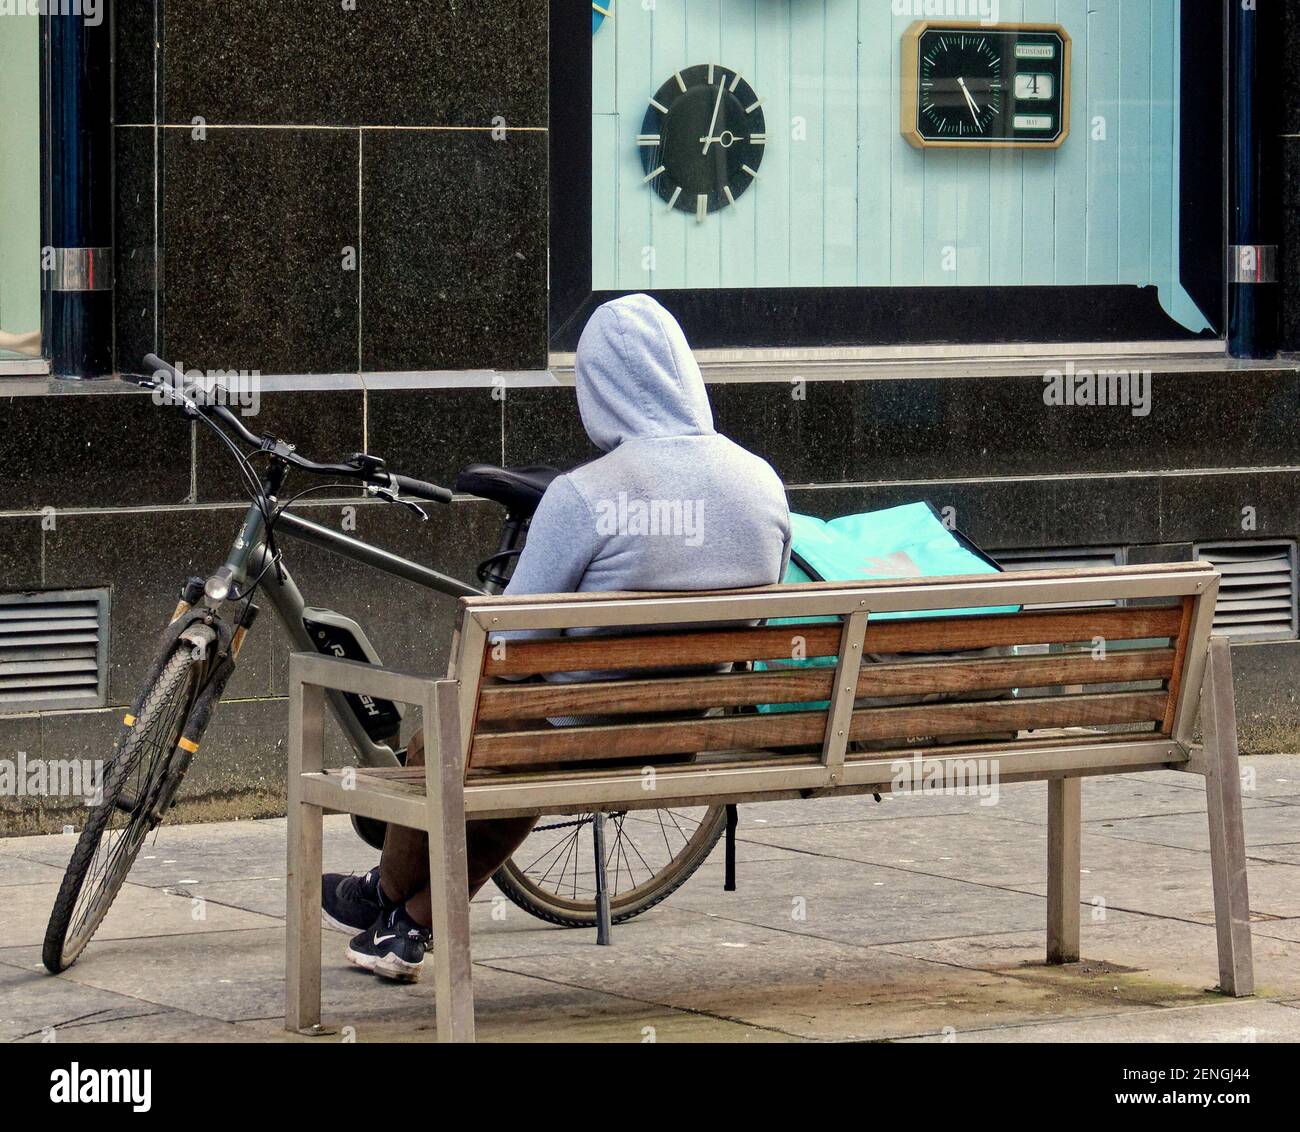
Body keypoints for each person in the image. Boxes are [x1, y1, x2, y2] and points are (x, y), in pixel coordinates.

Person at [321, 293, 791, 981]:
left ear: (600, 389)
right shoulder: (762, 484)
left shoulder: (586, 495)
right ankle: (406, 926)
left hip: (571, 738)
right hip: (687, 734)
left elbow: (507, 645)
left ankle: (385, 896)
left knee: (454, 736)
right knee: (511, 746)